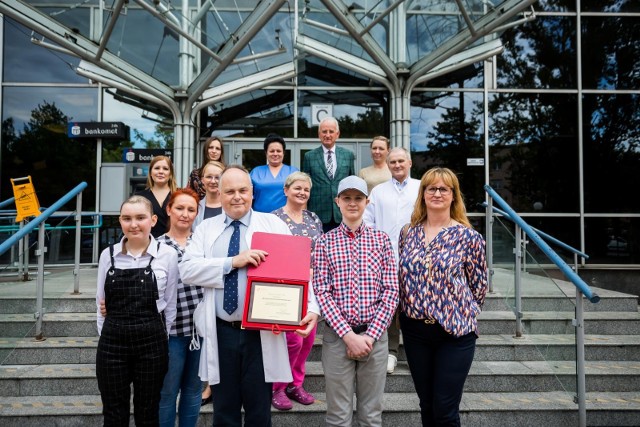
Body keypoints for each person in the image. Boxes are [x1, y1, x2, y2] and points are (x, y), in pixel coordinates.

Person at [179, 165, 320, 426]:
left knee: (259, 412)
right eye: (229, 191)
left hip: (261, 334)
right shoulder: (206, 229)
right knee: (224, 411)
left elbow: (296, 271)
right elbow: (187, 269)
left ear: (252, 192)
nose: (237, 197)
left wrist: (309, 307)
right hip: (222, 332)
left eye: (243, 190)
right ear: (219, 194)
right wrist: (232, 262)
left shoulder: (272, 224)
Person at [397, 167, 488, 426]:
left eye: (443, 189)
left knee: (445, 409)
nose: (437, 193)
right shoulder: (408, 233)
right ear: (423, 194)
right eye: (431, 188)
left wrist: (459, 311)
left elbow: (479, 286)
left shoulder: (469, 237)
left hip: (455, 334)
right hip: (415, 332)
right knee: (426, 404)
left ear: (453, 196)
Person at [313, 175, 399, 427]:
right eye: (347, 198)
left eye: (358, 198)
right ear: (337, 201)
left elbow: (391, 291)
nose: (353, 203)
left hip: (375, 338)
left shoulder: (381, 240)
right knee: (338, 417)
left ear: (367, 202)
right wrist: (348, 336)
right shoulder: (324, 242)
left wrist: (370, 336)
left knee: (371, 416)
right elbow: (322, 291)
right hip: (338, 339)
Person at [96, 195, 178, 426]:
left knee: (148, 411)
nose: (134, 224)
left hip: (152, 344)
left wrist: (162, 338)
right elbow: (99, 301)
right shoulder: (107, 255)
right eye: (127, 218)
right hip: (112, 344)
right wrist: (106, 337)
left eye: (140, 218)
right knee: (113, 412)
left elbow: (170, 304)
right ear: (120, 221)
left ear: (152, 220)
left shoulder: (167, 255)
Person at [363, 147, 420, 375]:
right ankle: (391, 353)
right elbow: (368, 221)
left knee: (415, 304)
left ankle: (416, 352)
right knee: (389, 306)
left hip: (416, 258)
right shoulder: (378, 191)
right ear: (387, 165)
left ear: (409, 163)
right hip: (386, 258)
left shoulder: (420, 187)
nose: (396, 165)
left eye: (400, 161)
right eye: (393, 162)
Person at [269, 171, 323, 411]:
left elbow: (320, 252)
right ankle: (278, 387)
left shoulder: (314, 219)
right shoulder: (272, 219)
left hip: (311, 287)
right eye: (297, 188)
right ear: (286, 190)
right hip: (285, 286)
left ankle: (295, 384)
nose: (302, 192)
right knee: (291, 340)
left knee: (307, 338)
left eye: (306, 189)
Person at [157, 188, 203, 427]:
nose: (185, 214)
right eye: (180, 208)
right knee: (167, 392)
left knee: (193, 391)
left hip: (201, 333)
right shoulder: (156, 247)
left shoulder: (202, 243)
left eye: (191, 210)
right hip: (171, 332)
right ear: (169, 210)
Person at [302, 117, 355, 232]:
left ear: (337, 134)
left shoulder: (348, 155)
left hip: (342, 214)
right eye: (324, 131)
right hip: (317, 214)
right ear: (319, 134)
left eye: (331, 131)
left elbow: (351, 186)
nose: (327, 135)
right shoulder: (309, 157)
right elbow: (305, 187)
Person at [250, 133, 298, 213]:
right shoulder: (256, 172)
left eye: (278, 151)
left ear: (283, 153)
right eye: (272, 151)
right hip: (260, 218)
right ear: (266, 153)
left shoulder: (293, 172)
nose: (275, 154)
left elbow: (301, 197)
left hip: (287, 219)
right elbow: (248, 195)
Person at [136, 155, 177, 238]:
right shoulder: (139, 197)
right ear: (151, 173)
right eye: (157, 168)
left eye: (165, 169)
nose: (161, 171)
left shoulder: (180, 195)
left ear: (170, 174)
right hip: (147, 242)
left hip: (174, 242)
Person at [194, 160, 225, 228]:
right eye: (209, 177)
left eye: (217, 177)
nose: (213, 181)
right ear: (202, 180)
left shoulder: (230, 206)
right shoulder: (195, 207)